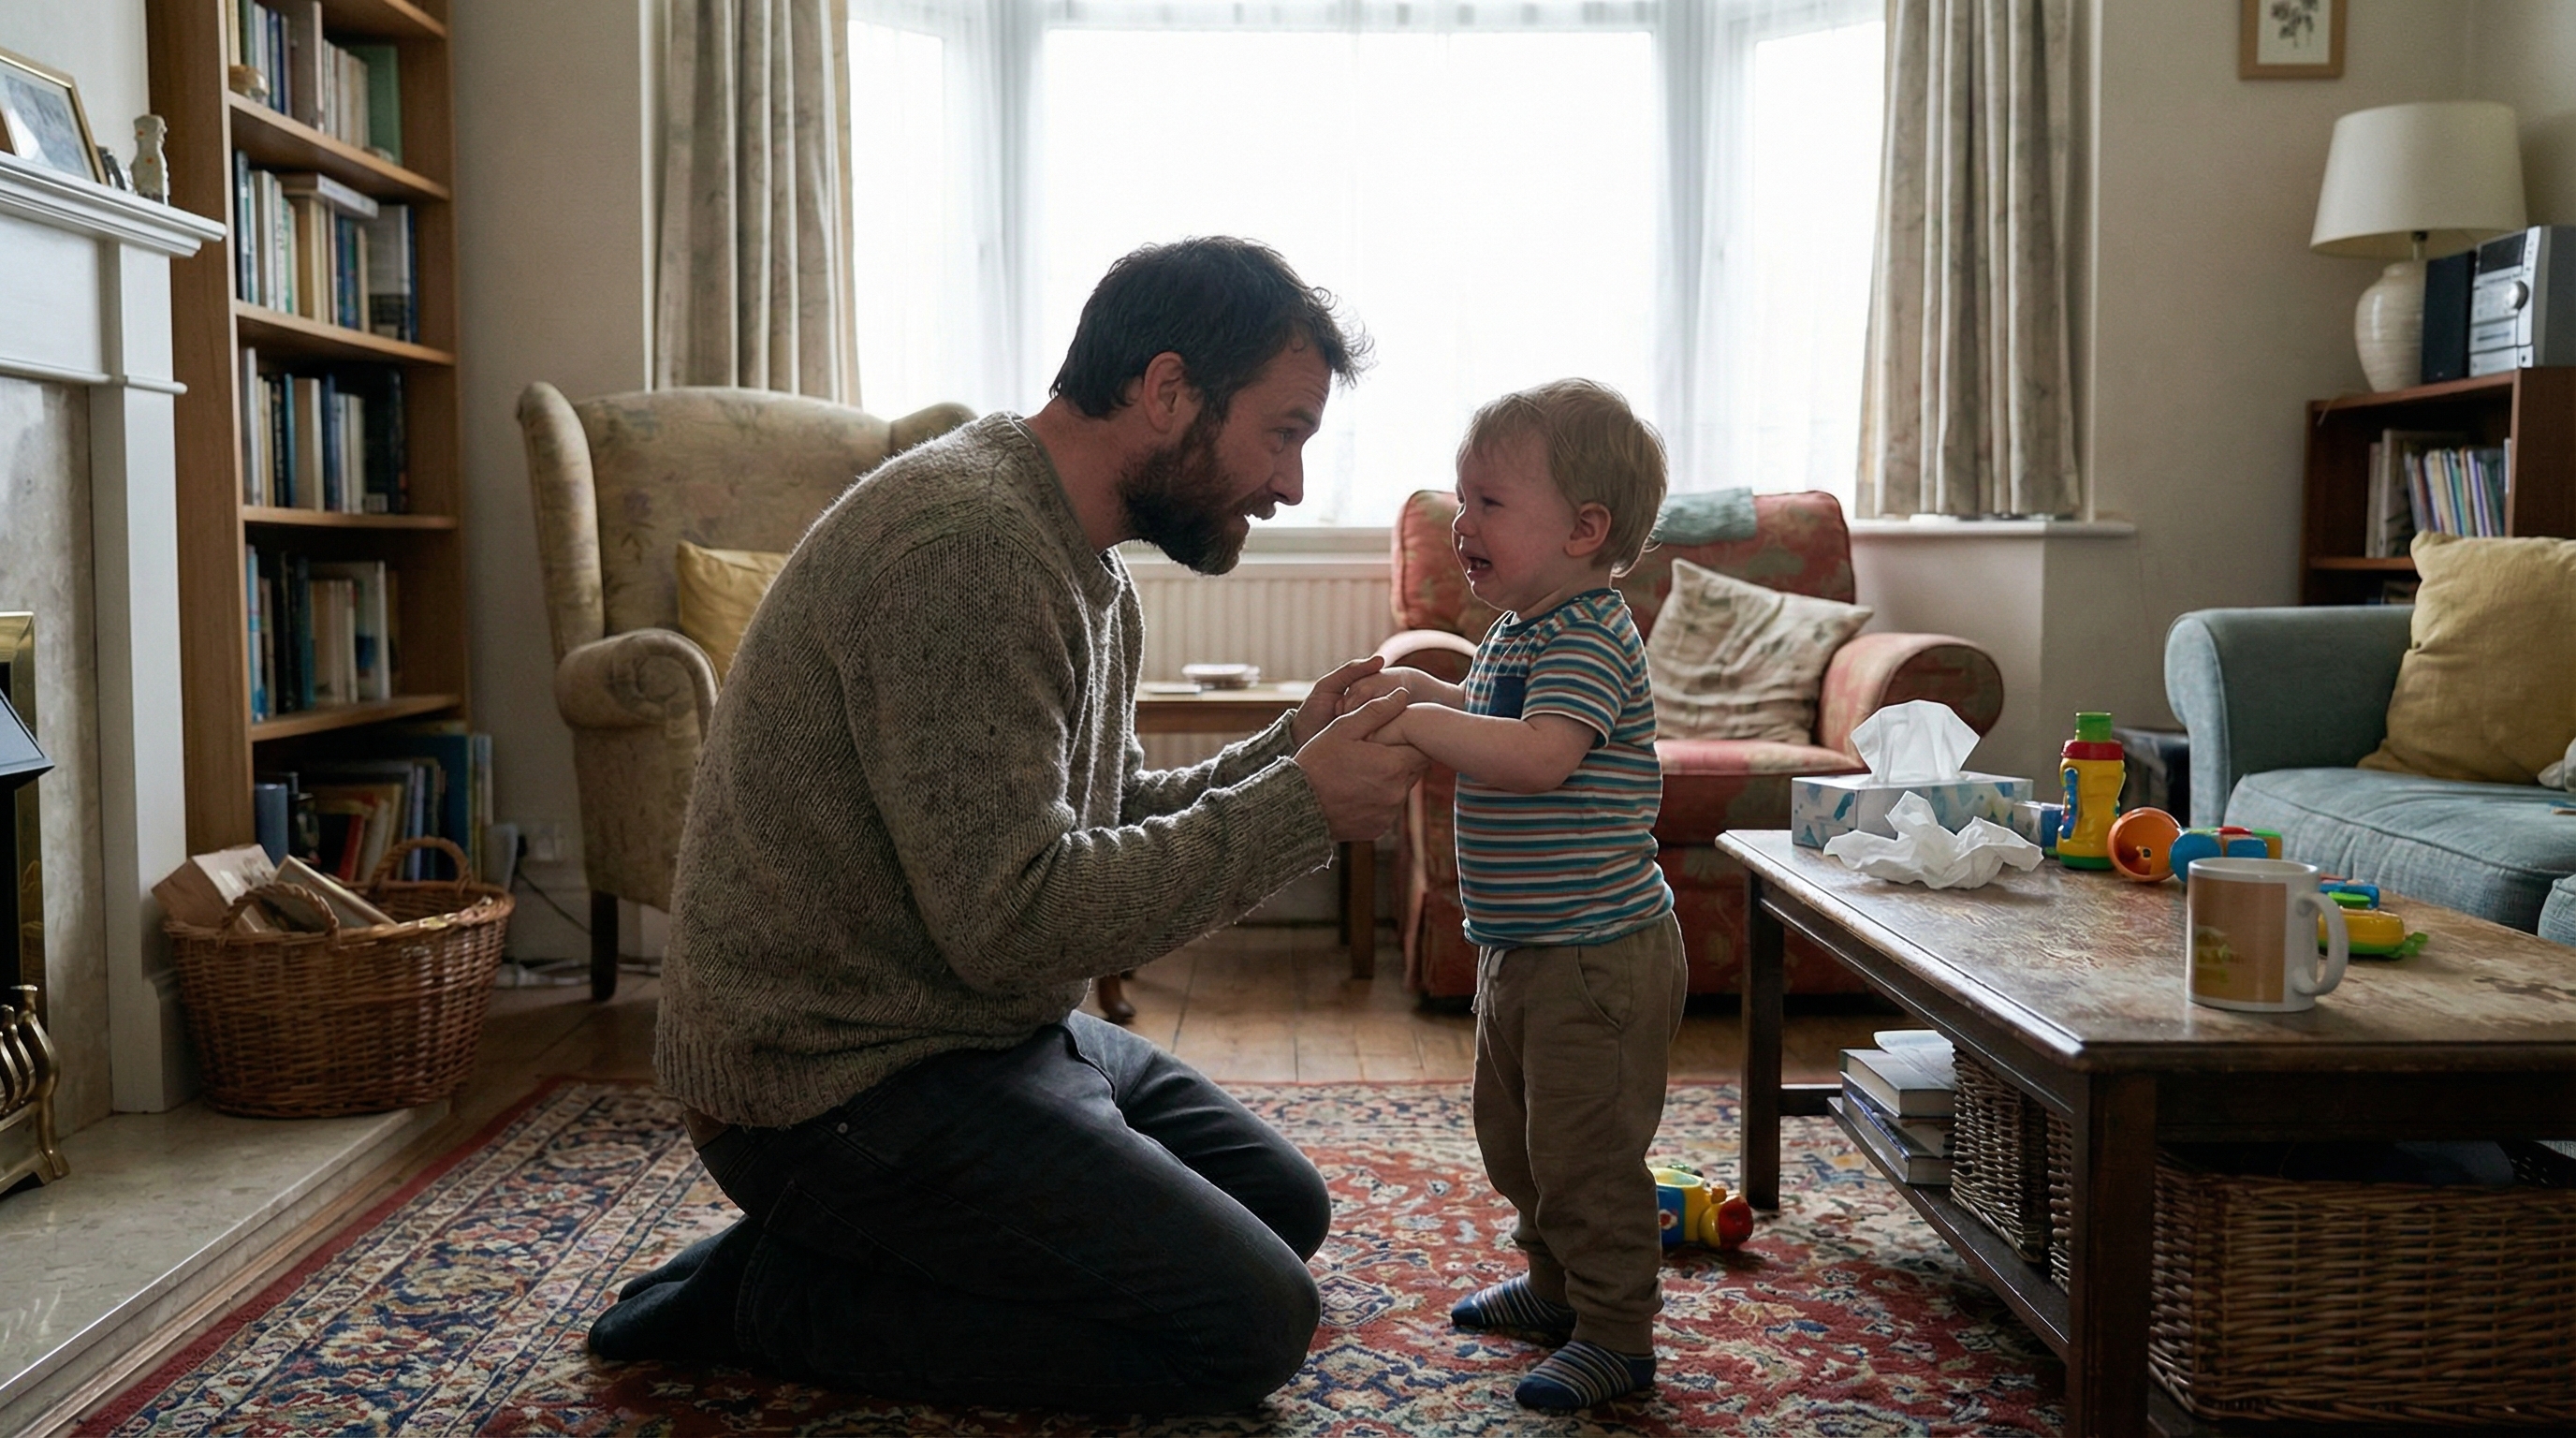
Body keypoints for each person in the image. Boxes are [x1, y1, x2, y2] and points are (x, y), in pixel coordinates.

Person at [586, 237, 1430, 1414]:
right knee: (1245, 1329)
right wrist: (1302, 809)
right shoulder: (967, 551)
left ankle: (872, 1252)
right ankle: (771, 1296)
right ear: (1168, 390)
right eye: (1283, 432)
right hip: (825, 1086)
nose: (1289, 485)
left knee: (1285, 1209)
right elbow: (1017, 920)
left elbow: (1099, 818)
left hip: (972, 1033)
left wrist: (1290, 750)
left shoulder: (1079, 561)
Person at [1344, 379, 1685, 1411]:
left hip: (1597, 954)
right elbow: (1493, 713)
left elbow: (1539, 757)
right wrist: (1423, 694)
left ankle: (1619, 1336)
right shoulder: (1521, 628)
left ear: (1585, 529)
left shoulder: (1587, 630)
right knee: (1517, 1138)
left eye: (1489, 502)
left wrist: (1416, 727)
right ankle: (1552, 1287)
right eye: (1461, 499)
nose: (1461, 523)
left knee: (1586, 1154)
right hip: (1525, 946)